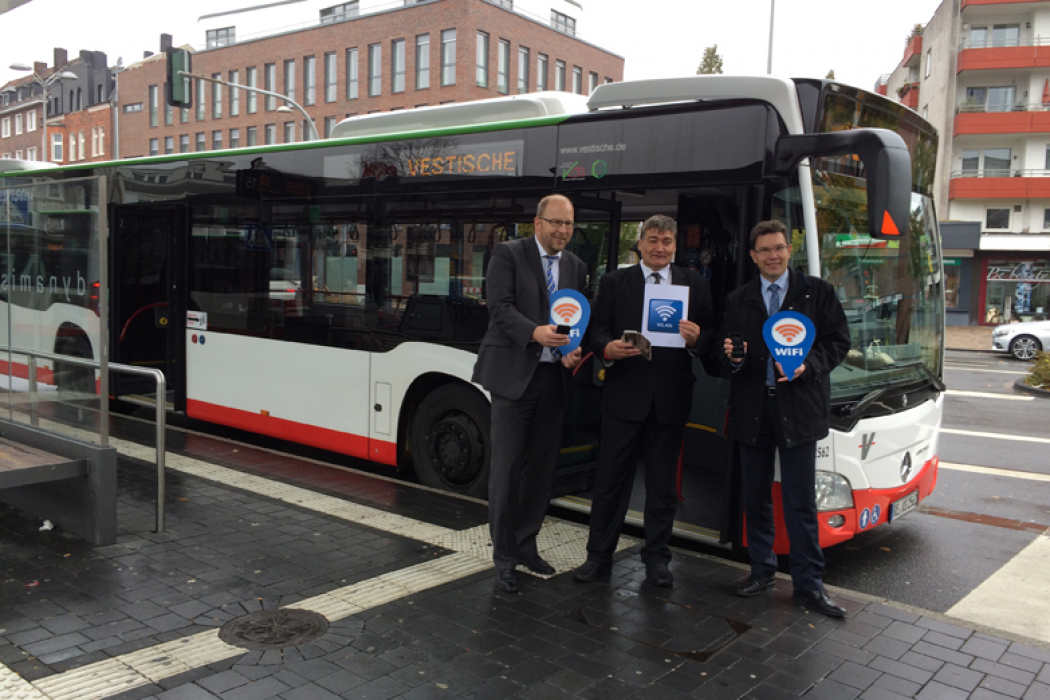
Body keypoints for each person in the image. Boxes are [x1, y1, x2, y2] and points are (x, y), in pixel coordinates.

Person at [573, 215, 713, 588]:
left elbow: (711, 335)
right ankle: (597, 557)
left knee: (663, 488)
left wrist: (699, 337)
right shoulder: (616, 282)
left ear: (674, 246)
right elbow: (596, 328)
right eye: (652, 240)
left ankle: (657, 560)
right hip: (623, 399)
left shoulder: (694, 284)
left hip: (670, 400)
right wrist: (607, 347)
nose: (659, 248)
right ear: (640, 244)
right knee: (610, 483)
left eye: (666, 241)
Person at [721, 220, 850, 617]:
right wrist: (731, 355)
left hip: (800, 409)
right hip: (752, 408)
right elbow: (727, 354)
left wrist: (808, 367)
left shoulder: (817, 293)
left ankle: (809, 585)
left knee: (800, 501)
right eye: (764, 250)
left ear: (789, 250)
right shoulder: (738, 299)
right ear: (753, 256)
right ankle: (761, 570)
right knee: (755, 496)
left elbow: (838, 342)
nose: (772, 256)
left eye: (778, 248)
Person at [472, 194, 587, 594]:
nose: (562, 231)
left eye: (569, 224)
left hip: (554, 380)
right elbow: (500, 308)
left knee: (540, 472)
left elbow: (573, 320)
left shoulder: (576, 266)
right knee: (505, 471)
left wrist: (572, 350)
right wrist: (534, 333)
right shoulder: (508, 254)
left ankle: (526, 546)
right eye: (556, 223)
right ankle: (503, 558)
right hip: (513, 377)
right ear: (537, 223)